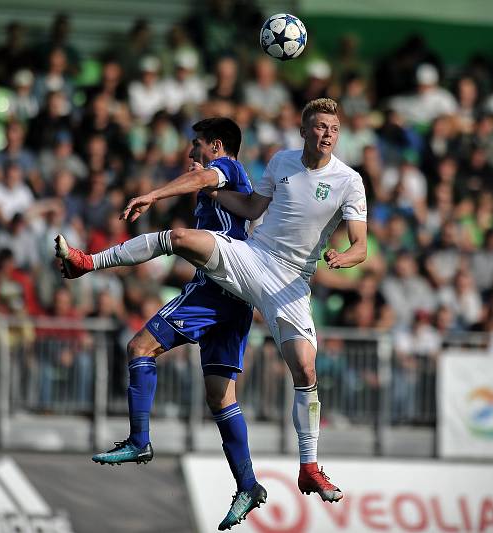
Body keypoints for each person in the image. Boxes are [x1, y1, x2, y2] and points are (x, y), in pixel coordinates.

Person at [57, 98, 368, 504]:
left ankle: (308, 468)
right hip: (254, 257)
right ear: (305, 130)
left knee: (305, 368)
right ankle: (88, 262)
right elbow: (255, 206)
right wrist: (218, 197)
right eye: (321, 126)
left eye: (334, 129)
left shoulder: (348, 180)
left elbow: (360, 244)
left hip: (292, 282)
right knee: (180, 237)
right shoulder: (280, 163)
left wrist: (344, 257)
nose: (327, 134)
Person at [60, 117, 266, 530]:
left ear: (217, 146)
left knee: (139, 347)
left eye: (197, 145)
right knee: (220, 398)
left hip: (216, 285)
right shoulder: (224, 188)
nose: (191, 154)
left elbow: (206, 176)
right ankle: (248, 484)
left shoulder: (229, 170)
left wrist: (152, 194)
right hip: (238, 298)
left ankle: (139, 440)